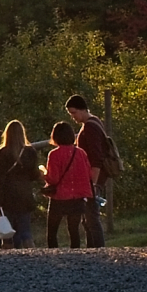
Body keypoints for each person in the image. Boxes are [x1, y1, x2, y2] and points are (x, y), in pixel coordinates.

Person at [65, 94, 109, 248]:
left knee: (91, 217)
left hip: (93, 178)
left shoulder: (90, 127)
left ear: (82, 110)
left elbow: (96, 157)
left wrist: (94, 183)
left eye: (74, 113)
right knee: (87, 218)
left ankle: (97, 248)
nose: (73, 117)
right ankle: (92, 248)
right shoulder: (95, 122)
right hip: (92, 177)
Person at [42, 120, 93, 249]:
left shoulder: (54, 154)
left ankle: (54, 255)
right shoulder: (81, 153)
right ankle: (75, 255)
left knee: (52, 231)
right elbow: (88, 173)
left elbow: (53, 179)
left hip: (60, 197)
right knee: (74, 230)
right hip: (78, 196)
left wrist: (43, 174)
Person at [0, 119, 39, 248]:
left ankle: (9, 259)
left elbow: (0, 176)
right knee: (25, 230)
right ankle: (31, 256)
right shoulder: (30, 151)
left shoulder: (3, 152)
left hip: (8, 195)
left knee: (7, 231)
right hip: (25, 194)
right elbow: (34, 175)